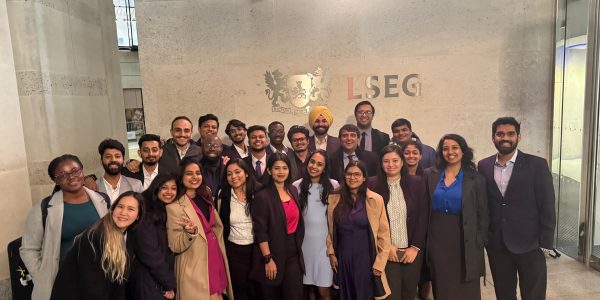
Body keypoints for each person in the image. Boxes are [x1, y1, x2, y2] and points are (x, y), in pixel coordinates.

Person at [477, 117, 556, 300]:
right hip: (498, 245)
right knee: (504, 294)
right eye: (500, 134)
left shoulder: (537, 165)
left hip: (531, 245)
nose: (505, 138)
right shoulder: (484, 166)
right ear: (493, 137)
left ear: (519, 136)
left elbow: (547, 204)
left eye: (510, 133)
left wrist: (545, 243)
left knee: (533, 294)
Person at [20, 154, 110, 300]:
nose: (72, 177)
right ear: (54, 180)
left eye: (75, 170)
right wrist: (42, 275)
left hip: (99, 278)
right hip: (62, 282)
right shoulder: (43, 209)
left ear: (82, 171)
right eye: (62, 175)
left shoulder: (102, 200)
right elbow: (28, 249)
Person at [423, 134, 488, 300]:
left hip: (465, 237)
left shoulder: (476, 178)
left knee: (466, 286)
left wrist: (479, 240)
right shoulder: (429, 175)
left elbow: (483, 213)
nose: (450, 152)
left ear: (463, 151)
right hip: (437, 238)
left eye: (454, 148)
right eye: (445, 148)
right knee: (442, 284)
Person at [50, 191, 144, 300]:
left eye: (130, 209)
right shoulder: (94, 237)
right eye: (120, 207)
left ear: (138, 216)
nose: (123, 212)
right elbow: (92, 288)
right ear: (113, 209)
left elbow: (119, 283)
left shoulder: (129, 237)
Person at [166, 157, 233, 300]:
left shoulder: (205, 197)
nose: (195, 177)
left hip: (215, 256)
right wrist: (190, 234)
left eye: (198, 173)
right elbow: (175, 245)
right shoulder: (173, 207)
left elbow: (216, 227)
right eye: (189, 173)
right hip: (194, 265)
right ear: (181, 176)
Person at [367, 145, 428, 300]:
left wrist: (415, 247)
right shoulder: (371, 185)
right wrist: (387, 246)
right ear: (381, 164)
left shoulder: (417, 183)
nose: (391, 164)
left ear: (402, 162)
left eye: (395, 160)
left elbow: (423, 216)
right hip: (386, 251)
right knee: (391, 296)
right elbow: (370, 220)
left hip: (412, 252)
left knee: (409, 294)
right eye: (386, 161)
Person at [327, 160, 392, 300]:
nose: (352, 177)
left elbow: (384, 235)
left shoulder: (375, 199)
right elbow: (330, 230)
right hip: (343, 258)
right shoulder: (334, 198)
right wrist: (331, 253)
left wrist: (379, 264)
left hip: (366, 259)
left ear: (364, 178)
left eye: (357, 174)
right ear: (344, 176)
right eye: (349, 174)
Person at [250, 153, 305, 300]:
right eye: (276, 168)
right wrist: (268, 259)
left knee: (294, 295)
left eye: (284, 168)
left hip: (294, 253)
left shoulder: (293, 190)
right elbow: (260, 230)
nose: (281, 172)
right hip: (272, 253)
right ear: (269, 170)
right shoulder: (263, 196)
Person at [292, 150, 339, 300]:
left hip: (324, 246)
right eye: (312, 162)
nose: (314, 166)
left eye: (319, 164)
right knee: (309, 289)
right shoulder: (296, 185)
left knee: (324, 290)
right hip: (304, 245)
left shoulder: (333, 185)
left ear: (325, 168)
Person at [128, 174, 179, 300]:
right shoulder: (146, 213)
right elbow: (151, 254)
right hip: (148, 281)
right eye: (164, 188)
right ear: (156, 189)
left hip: (157, 279)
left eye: (173, 188)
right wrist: (168, 284)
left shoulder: (165, 210)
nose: (169, 192)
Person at [218, 158, 261, 300]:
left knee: (258, 291)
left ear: (246, 173)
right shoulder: (222, 196)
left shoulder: (259, 192)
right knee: (239, 292)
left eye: (237, 172)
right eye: (229, 174)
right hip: (233, 251)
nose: (233, 177)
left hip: (257, 250)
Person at [96, 138, 143, 203]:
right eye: (108, 156)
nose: (113, 160)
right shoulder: (93, 188)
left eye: (117, 156)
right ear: (101, 161)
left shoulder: (136, 185)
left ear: (123, 160)